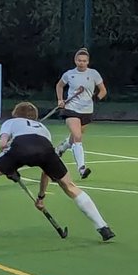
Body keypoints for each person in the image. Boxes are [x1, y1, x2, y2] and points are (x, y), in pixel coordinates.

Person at [0, 100, 114, 241]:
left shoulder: (10, 122)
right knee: (70, 187)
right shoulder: (43, 128)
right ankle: (103, 227)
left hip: (20, 147)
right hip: (46, 151)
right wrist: (41, 197)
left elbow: (3, 145)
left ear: (16, 114)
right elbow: (46, 170)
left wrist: (9, 168)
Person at [53, 48, 106, 178]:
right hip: (71, 109)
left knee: (75, 136)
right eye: (79, 60)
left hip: (87, 111)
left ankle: (60, 149)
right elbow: (59, 86)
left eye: (84, 61)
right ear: (75, 61)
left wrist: (95, 98)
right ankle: (82, 168)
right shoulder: (69, 74)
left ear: (88, 62)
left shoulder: (94, 74)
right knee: (77, 136)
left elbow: (103, 90)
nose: (81, 63)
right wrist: (60, 100)